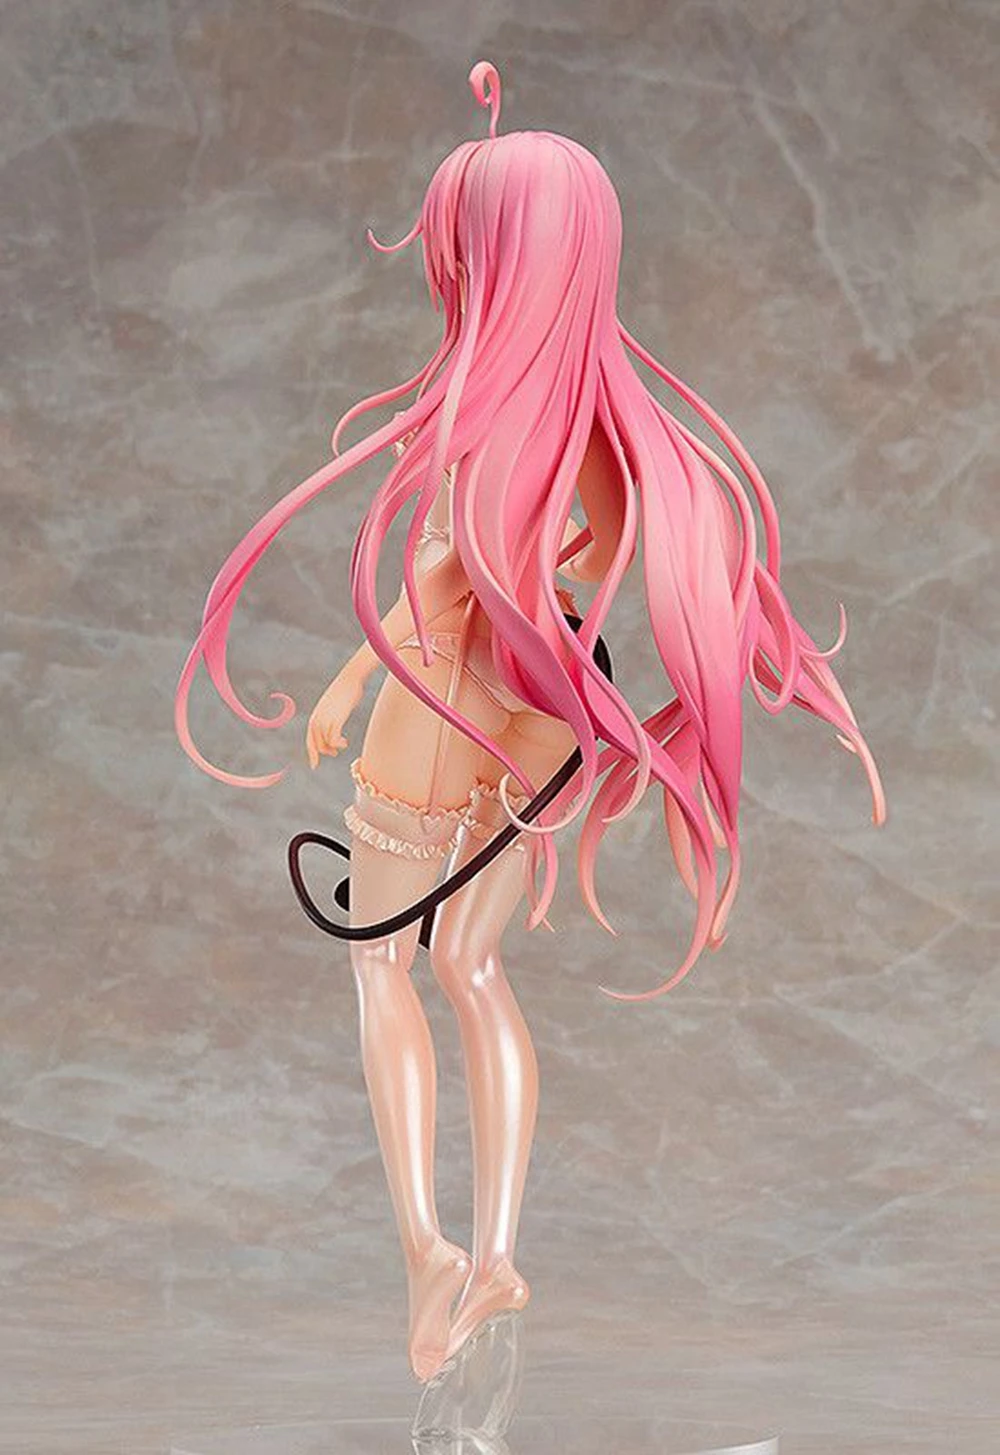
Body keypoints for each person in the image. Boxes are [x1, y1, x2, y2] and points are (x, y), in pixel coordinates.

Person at [176, 61, 885, 1383]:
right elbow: (576, 563)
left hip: (446, 697)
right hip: (556, 707)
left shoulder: (490, 407)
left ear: (497, 255)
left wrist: (352, 679)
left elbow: (455, 574)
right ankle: (498, 1250)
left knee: (382, 966)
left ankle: (429, 1253)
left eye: (462, 242)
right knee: (475, 965)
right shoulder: (609, 423)